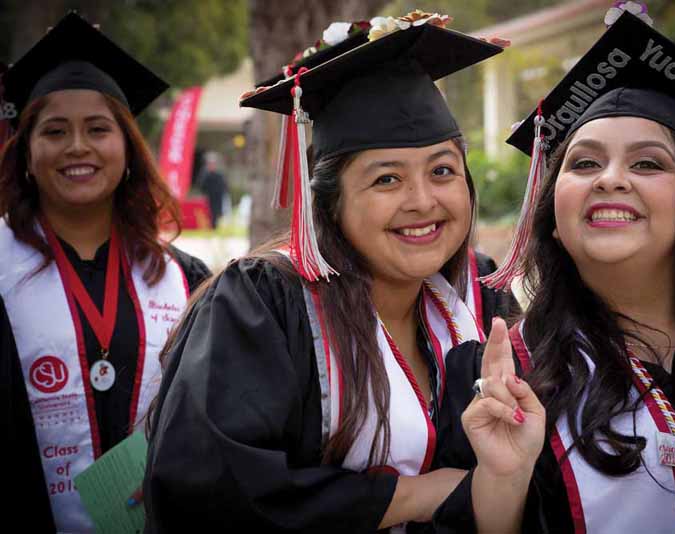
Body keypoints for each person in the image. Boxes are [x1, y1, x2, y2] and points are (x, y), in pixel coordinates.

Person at [431, 7, 675, 534]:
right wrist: (502, 480)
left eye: (648, 163)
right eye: (583, 163)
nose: (611, 179)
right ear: (553, 215)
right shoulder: (499, 381)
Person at [144, 14, 515, 534]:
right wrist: (414, 495)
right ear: (330, 202)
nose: (423, 201)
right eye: (386, 179)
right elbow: (210, 492)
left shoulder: (480, 297)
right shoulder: (263, 304)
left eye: (442, 170)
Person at [0, 13, 210, 532]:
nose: (77, 147)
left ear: (127, 151)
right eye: (54, 131)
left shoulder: (183, 278)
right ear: (27, 154)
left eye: (98, 129)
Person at [196, 151, 229, 229]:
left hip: (218, 196)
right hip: (209, 196)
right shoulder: (205, 174)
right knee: (209, 211)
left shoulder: (219, 174)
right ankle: (210, 225)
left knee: (217, 212)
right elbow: (201, 185)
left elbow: (223, 185)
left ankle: (214, 225)